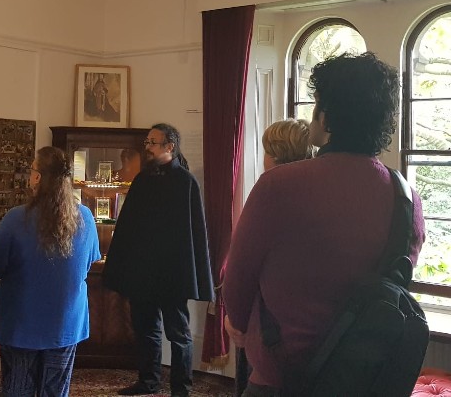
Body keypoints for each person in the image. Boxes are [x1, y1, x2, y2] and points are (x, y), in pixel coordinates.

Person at [223, 52, 426, 396]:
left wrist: (238, 324)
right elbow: (395, 282)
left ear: (326, 116)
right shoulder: (406, 196)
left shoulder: (279, 185)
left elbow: (239, 275)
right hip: (361, 376)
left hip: (282, 375)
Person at [103, 123, 214, 397]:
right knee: (146, 330)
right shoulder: (142, 180)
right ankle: (148, 381)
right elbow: (129, 227)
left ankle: (181, 389)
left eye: (153, 142)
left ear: (169, 146)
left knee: (179, 335)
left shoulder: (185, 182)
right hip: (143, 273)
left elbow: (193, 234)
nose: (148, 147)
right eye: (147, 142)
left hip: (173, 275)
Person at [0, 146, 100, 397]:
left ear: (37, 177)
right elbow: (89, 261)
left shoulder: (16, 219)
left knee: (18, 390)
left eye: (31, 170)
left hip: (20, 324)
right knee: (55, 391)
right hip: (65, 322)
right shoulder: (85, 217)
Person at [230, 118, 315, 397]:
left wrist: (237, 319)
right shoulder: (317, 188)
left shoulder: (272, 187)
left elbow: (243, 264)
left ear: (275, 154)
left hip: (270, 320)